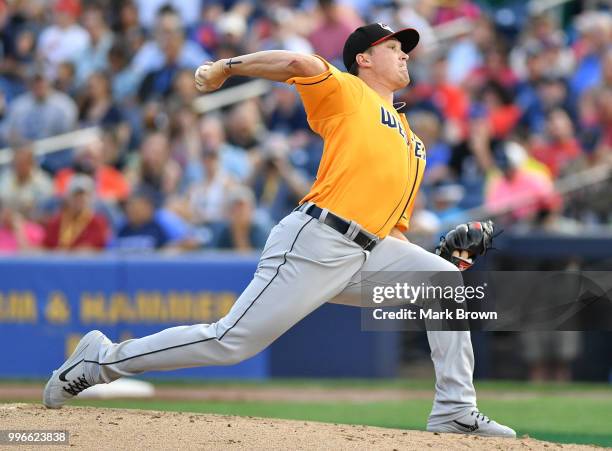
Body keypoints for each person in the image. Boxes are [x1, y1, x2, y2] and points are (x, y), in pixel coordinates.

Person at [43, 23, 515, 438]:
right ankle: (101, 359)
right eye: (394, 46)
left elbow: (393, 231)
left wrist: (425, 264)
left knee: (443, 280)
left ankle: (455, 410)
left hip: (367, 252)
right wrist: (226, 66)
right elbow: (295, 61)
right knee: (230, 342)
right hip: (316, 240)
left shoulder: (414, 144)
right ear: (364, 59)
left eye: (405, 48)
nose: (405, 53)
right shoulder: (348, 92)